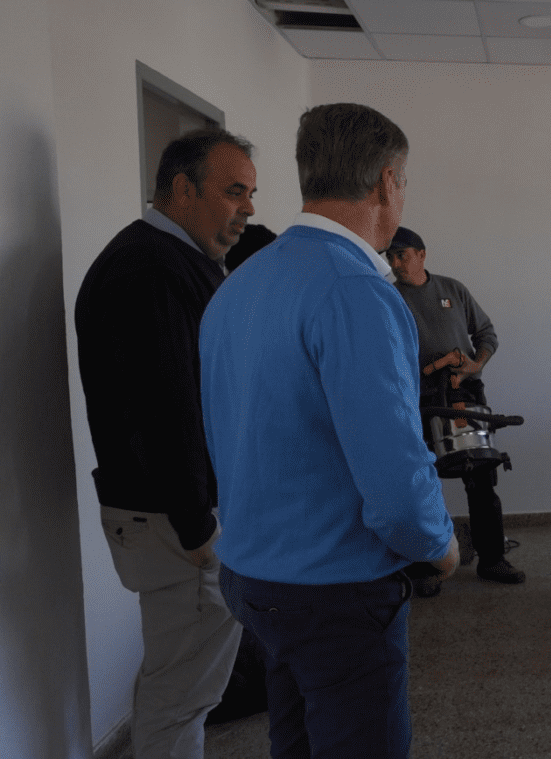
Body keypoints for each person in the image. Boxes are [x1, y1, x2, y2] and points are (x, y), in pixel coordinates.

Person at [200, 103, 459, 759]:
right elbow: (395, 478)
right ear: (385, 183)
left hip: (254, 575)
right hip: (333, 591)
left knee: (297, 740)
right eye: (403, 181)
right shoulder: (355, 291)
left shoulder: (241, 284)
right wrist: (440, 545)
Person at [73, 128, 253, 758]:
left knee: (179, 686)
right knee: (179, 699)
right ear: (182, 188)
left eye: (251, 194)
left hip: (173, 514)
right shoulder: (150, 267)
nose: (247, 209)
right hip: (178, 522)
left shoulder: (170, 259)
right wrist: (197, 524)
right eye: (234, 191)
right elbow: (166, 404)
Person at [386, 227, 525, 586]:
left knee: (481, 477)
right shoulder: (387, 297)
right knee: (417, 484)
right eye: (391, 256)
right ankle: (424, 569)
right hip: (416, 400)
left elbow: (487, 333)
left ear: (422, 254)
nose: (396, 263)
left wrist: (474, 365)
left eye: (402, 255)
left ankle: (492, 559)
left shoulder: (453, 290)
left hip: (465, 394)